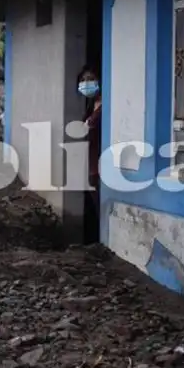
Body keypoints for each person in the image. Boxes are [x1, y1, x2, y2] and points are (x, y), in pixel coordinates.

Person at [77, 65, 102, 245]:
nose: (86, 83)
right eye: (83, 80)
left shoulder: (103, 106)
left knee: (100, 206)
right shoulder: (91, 106)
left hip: (99, 166)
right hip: (90, 163)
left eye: (91, 79)